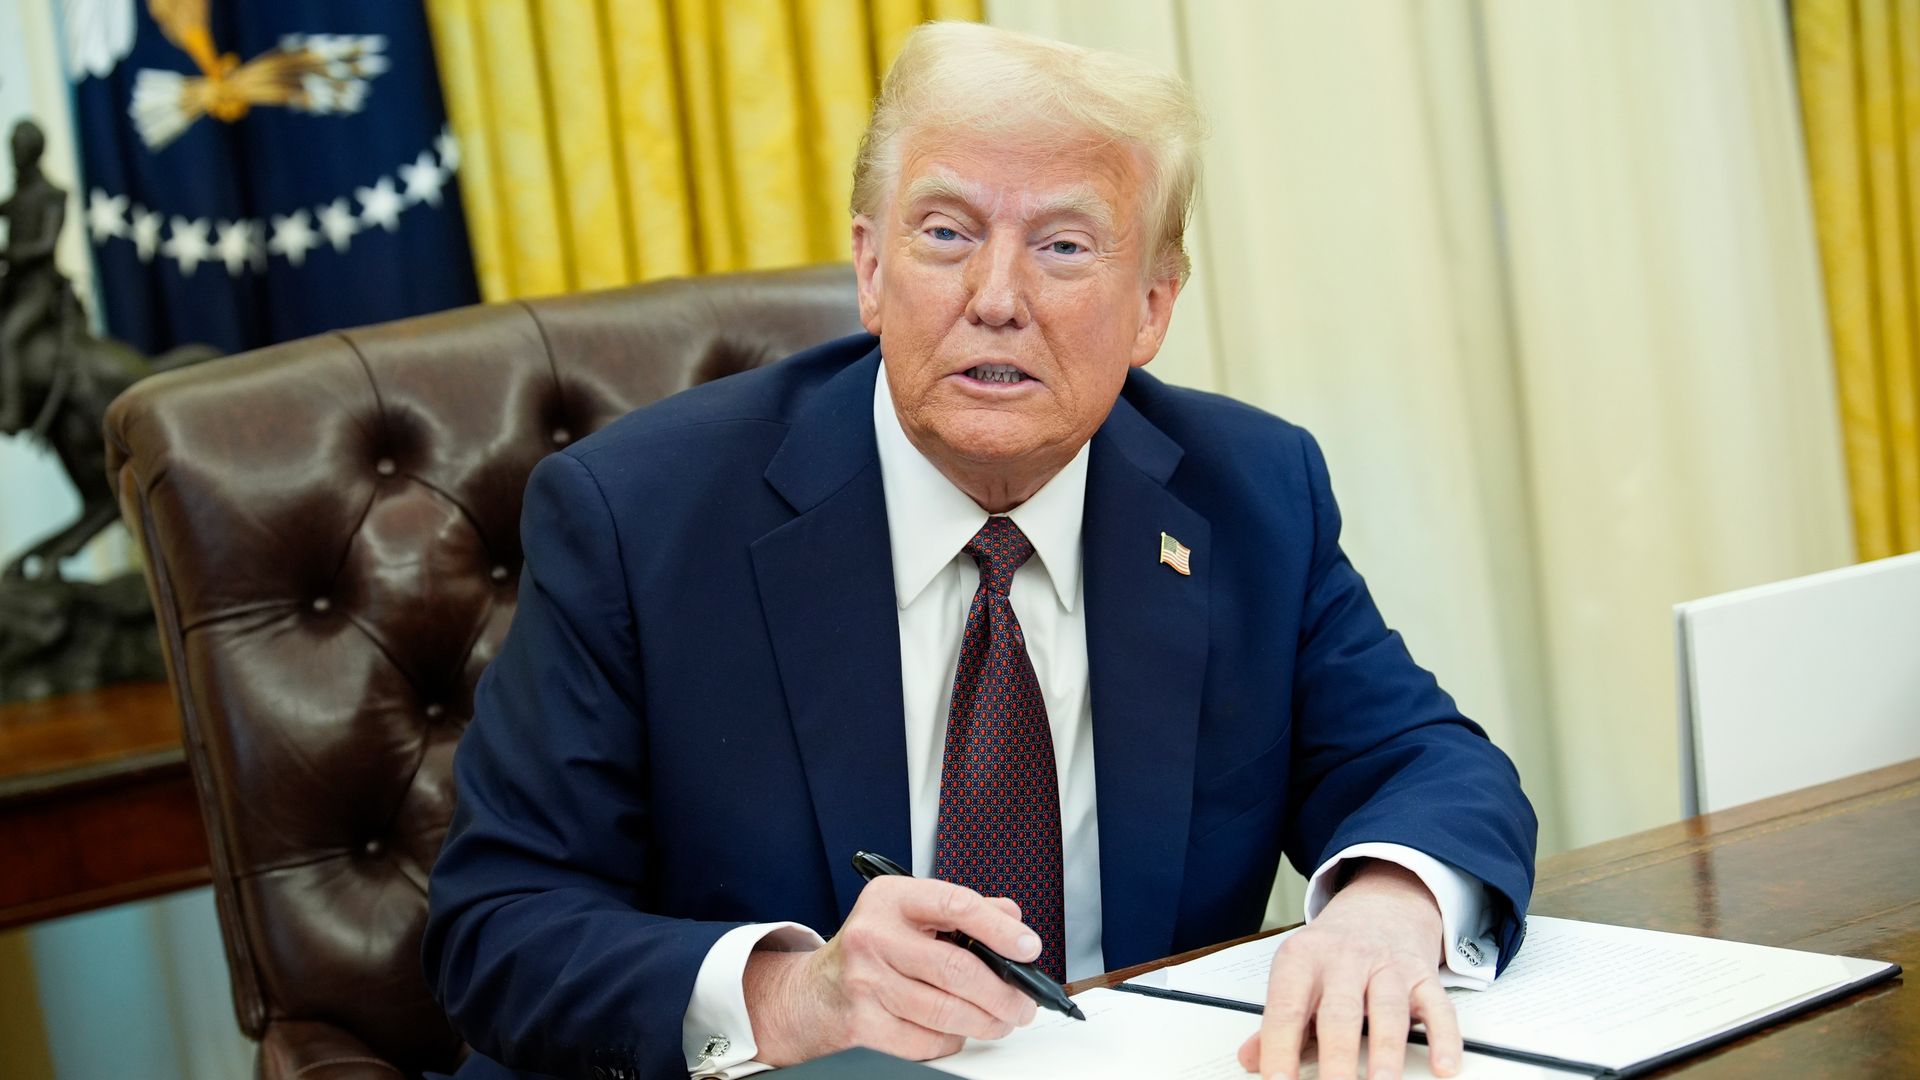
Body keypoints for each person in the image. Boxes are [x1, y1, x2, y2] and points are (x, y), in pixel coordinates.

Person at [424, 22, 1536, 1080]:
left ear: (1152, 306)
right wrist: (788, 995)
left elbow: (1430, 765)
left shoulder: (1247, 493)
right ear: (870, 268)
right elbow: (497, 925)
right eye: (946, 233)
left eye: (1061, 245)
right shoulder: (636, 517)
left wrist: (1388, 903)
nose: (995, 300)